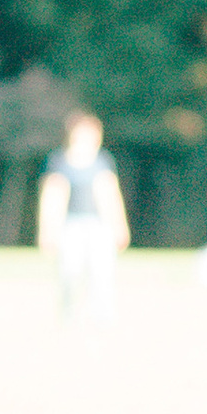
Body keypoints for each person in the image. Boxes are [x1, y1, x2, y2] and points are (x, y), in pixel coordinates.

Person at [39, 110, 128, 321]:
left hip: (98, 226)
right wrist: (47, 231)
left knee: (101, 273)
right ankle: (68, 316)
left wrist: (119, 227)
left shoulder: (103, 162)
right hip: (71, 226)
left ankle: (102, 317)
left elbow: (111, 196)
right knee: (69, 272)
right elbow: (51, 199)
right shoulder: (59, 162)